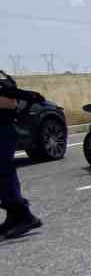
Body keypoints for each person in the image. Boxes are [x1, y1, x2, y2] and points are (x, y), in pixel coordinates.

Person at [0, 74, 44, 240]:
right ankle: (14, 216)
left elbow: (9, 94)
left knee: (4, 172)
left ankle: (25, 217)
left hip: (3, 129)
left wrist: (27, 95)